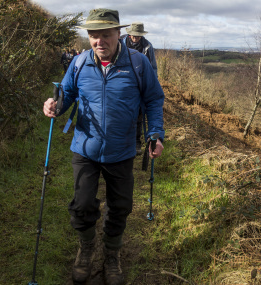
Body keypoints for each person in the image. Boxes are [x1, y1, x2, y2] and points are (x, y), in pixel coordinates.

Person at [42, 8, 164, 284]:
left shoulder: (137, 64)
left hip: (121, 150)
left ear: (118, 34)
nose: (99, 42)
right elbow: (66, 95)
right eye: (93, 36)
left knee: (120, 206)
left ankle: (112, 254)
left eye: (105, 35)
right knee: (83, 204)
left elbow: (154, 99)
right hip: (85, 147)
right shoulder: (79, 63)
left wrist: (155, 134)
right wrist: (54, 106)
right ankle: (86, 249)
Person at [120, 22, 158, 154]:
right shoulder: (120, 43)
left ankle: (136, 143)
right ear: (129, 34)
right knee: (122, 112)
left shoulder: (148, 47)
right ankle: (122, 141)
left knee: (139, 115)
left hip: (140, 84)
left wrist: (153, 86)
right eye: (134, 35)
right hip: (123, 82)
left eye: (138, 36)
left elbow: (153, 68)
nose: (135, 38)